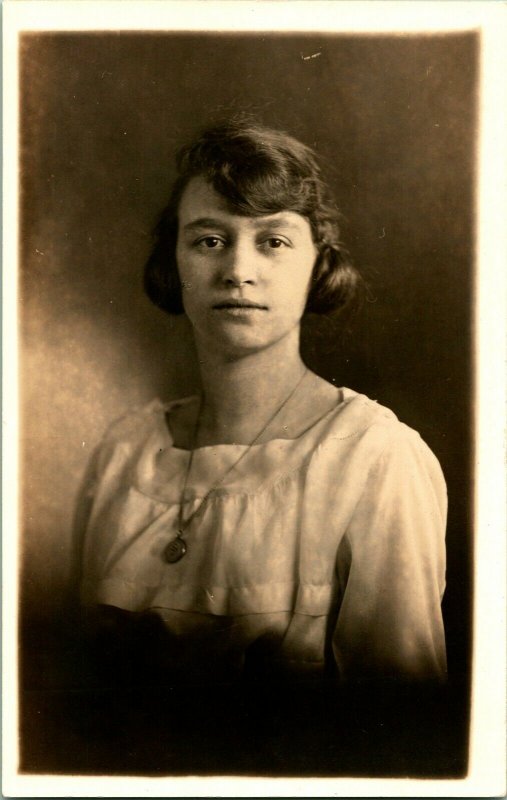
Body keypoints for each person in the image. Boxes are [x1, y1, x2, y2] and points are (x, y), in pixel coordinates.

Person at [76, 119, 447, 695]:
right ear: (174, 261)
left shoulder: (375, 459)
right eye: (209, 240)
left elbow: (400, 726)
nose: (237, 272)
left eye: (273, 241)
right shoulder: (124, 453)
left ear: (317, 264)